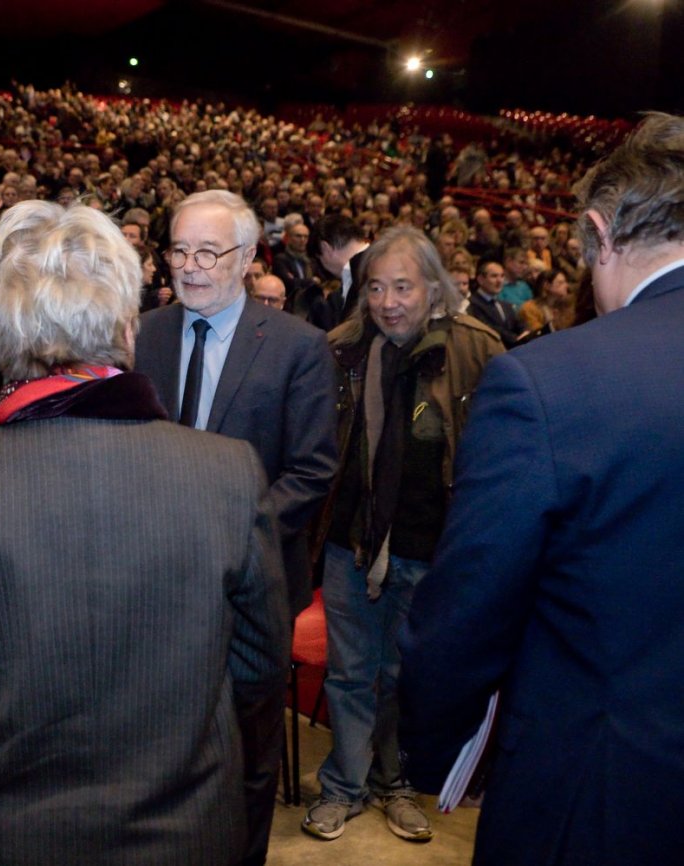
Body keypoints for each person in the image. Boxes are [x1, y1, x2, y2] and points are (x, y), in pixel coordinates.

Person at [0, 201, 290, 866]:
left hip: (3, 836)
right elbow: (257, 678)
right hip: (186, 832)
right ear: (128, 326)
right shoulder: (227, 474)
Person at [399, 111, 684, 866]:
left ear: (601, 232)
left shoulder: (549, 382)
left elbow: (471, 604)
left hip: (601, 795)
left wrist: (432, 752)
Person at [134, 190, 336, 866]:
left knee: (248, 757)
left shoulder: (298, 348)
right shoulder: (146, 331)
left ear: (248, 258)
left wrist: (222, 539)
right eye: (178, 251)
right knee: (160, 746)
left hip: (253, 586)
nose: (189, 267)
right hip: (156, 581)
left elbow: (309, 473)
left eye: (208, 253)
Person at [303, 226, 502, 843]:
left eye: (403, 287)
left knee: (402, 675)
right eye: (377, 288)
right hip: (349, 544)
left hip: (430, 551)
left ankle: (394, 784)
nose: (388, 301)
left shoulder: (479, 351)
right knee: (350, 672)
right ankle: (344, 786)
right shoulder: (340, 348)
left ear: (434, 288)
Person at [517, 269, 574, 334]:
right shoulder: (529, 308)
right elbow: (538, 333)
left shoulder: (568, 305)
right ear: (547, 286)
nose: (566, 286)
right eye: (560, 283)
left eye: (565, 282)